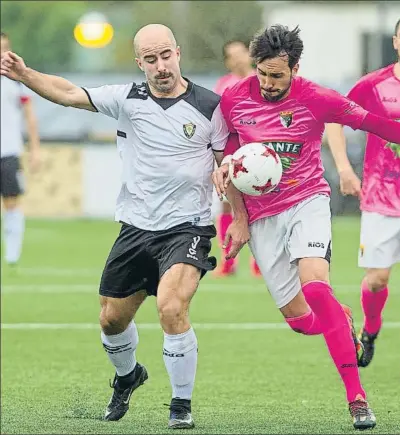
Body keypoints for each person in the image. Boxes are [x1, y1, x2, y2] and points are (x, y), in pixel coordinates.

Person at [1, 24, 229, 429]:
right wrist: (26, 74)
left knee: (172, 307)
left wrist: (240, 219)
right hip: (137, 227)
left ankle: (181, 405)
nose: (161, 66)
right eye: (151, 59)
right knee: (111, 320)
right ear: (139, 62)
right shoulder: (126, 98)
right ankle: (128, 376)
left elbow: (227, 166)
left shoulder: (211, 107)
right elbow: (69, 93)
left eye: (166, 55)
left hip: (188, 228)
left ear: (178, 52)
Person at [212, 24, 400, 430]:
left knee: (315, 285)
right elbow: (227, 155)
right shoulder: (234, 99)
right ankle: (342, 318)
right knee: (301, 320)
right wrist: (238, 217)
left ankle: (357, 398)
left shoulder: (317, 98)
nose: (269, 83)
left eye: (278, 75)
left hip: (307, 200)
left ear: (295, 68)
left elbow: (376, 124)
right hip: (262, 216)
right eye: (262, 73)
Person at [326, 13, 400, 382]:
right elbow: (334, 117)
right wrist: (345, 170)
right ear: (395, 42)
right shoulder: (374, 85)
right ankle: (370, 329)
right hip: (381, 198)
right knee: (378, 279)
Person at [213, 40, 261, 276]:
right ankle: (228, 262)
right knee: (226, 203)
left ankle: (260, 263)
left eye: (241, 53)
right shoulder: (223, 85)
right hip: (232, 152)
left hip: (259, 153)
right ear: (227, 61)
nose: (238, 58)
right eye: (232, 55)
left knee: (260, 205)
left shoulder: (263, 80)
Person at [1, 31, 40, 266]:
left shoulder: (17, 81)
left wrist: (35, 148)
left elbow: (30, 117)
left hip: (8, 151)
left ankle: (12, 254)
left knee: (12, 201)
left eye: (4, 47)